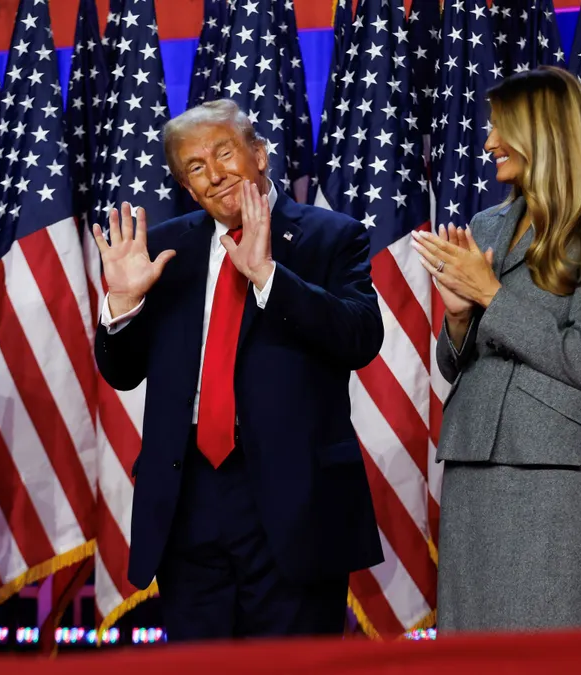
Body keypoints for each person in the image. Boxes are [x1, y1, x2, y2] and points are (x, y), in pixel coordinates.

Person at [91, 98, 383, 641]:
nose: (215, 173)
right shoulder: (166, 250)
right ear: (186, 185)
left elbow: (361, 338)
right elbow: (123, 372)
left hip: (294, 501)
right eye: (195, 167)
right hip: (187, 499)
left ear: (260, 154)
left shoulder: (330, 236)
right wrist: (123, 302)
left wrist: (270, 276)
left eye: (224, 153)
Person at [414, 67, 581, 632]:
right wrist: (459, 318)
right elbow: (454, 365)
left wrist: (490, 294)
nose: (488, 142)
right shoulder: (488, 223)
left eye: (500, 127)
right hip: (473, 463)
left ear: (542, 131)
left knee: (554, 642)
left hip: (553, 468)